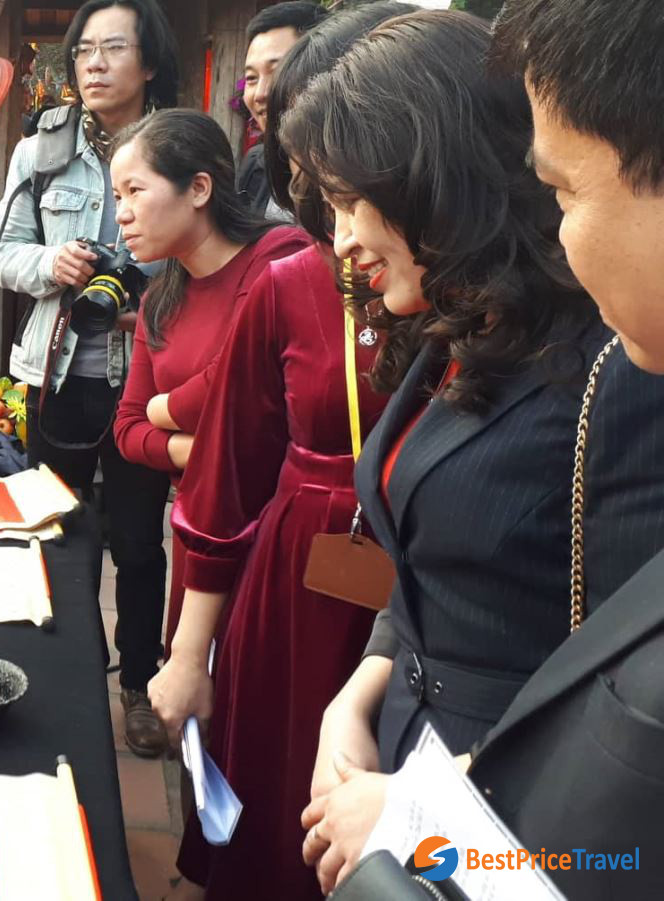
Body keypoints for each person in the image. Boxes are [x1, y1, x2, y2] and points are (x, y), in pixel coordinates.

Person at [286, 12, 664, 891]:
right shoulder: (456, 332)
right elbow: (424, 562)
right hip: (405, 756)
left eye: (350, 201)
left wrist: (423, 815)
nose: (339, 240)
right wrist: (359, 692)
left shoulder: (620, 367)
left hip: (514, 816)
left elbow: (620, 724)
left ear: (436, 179)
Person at [143, 7, 412, 900]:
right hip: (300, 574)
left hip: (416, 598)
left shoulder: (469, 302)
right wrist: (187, 654)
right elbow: (223, 483)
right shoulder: (293, 282)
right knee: (277, 812)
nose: (340, 230)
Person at [0, 0, 180, 758]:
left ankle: (137, 684)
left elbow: (218, 252)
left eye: (112, 49)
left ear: (150, 63)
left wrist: (156, 295)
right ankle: (65, 670)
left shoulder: (181, 148)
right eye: (82, 53)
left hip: (146, 378)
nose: (93, 65)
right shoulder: (42, 149)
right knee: (56, 532)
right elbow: (2, 250)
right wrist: (50, 265)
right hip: (57, 373)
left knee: (136, 542)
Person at [109, 107, 311, 691]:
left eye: (135, 191)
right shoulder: (160, 301)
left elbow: (237, 376)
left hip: (276, 522)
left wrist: (161, 412)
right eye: (117, 195)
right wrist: (203, 449)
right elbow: (124, 430)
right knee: (198, 695)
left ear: (199, 188)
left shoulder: (278, 259)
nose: (121, 214)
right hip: (202, 521)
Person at [235, 1, 326, 220]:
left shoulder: (361, 173)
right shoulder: (257, 167)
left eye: (278, 72)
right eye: (251, 78)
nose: (260, 93)